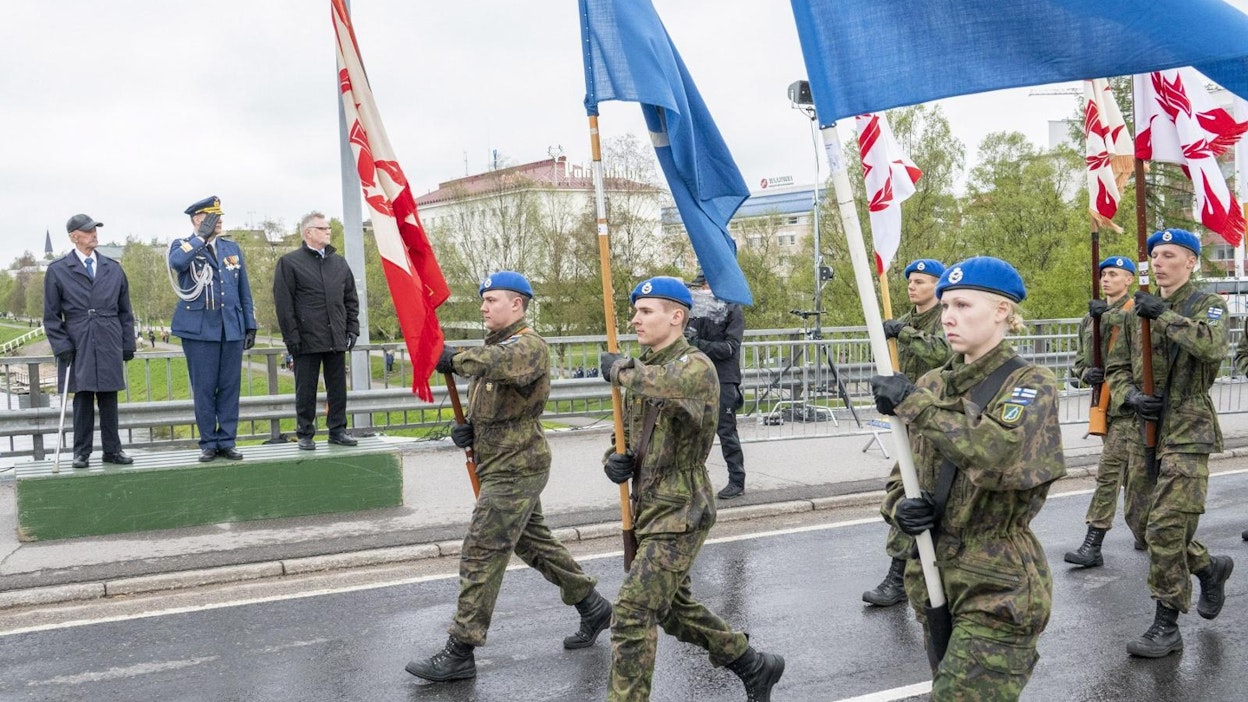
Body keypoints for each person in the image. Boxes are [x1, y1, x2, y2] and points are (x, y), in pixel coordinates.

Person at [870, 256, 1065, 700]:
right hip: (934, 573)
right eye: (944, 307)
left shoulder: (1030, 382)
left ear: (1001, 311)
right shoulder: (934, 384)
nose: (949, 317)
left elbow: (996, 452)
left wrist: (914, 405)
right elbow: (903, 474)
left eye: (962, 305)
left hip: (996, 581)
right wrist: (902, 509)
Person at [406, 271, 611, 683]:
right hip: (500, 461)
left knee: (481, 550)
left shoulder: (527, 346)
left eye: (492, 300)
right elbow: (496, 399)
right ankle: (592, 604)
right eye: (483, 300)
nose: (484, 307)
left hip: (517, 466)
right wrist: (468, 430)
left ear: (516, 304)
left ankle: (461, 650)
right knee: (533, 545)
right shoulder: (494, 345)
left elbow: (500, 367)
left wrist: (452, 357)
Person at [598, 276, 784, 702]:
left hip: (681, 507)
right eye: (635, 311)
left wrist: (622, 370)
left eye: (646, 312)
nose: (635, 319)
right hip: (648, 501)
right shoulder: (643, 367)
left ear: (676, 317)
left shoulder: (695, 367)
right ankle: (753, 664)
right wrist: (614, 459)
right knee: (676, 612)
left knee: (631, 612)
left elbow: (663, 384)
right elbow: (624, 433)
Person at [1106, 229, 1234, 658]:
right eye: (1154, 255)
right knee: (1142, 523)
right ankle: (1207, 566)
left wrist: (1161, 315)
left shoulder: (1208, 305)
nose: (1158, 263)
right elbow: (1117, 369)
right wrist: (1132, 397)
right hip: (1147, 428)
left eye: (1169, 255)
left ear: (1191, 262)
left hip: (1188, 428)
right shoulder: (1132, 313)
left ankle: (1166, 624)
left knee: (1165, 527)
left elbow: (1212, 346)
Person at [864, 258, 952, 608]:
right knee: (907, 494)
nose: (912, 287)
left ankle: (898, 576)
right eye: (910, 282)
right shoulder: (905, 320)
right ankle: (908, 572)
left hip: (937, 417)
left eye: (921, 282)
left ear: (937, 285)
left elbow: (941, 351)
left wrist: (902, 333)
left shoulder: (944, 317)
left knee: (910, 494)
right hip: (910, 420)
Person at [1064, 256, 1151, 568]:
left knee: (1136, 485)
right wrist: (1088, 374)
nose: (1106, 279)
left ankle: (1148, 534)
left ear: (1129, 280)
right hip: (1107, 409)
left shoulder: (1136, 313)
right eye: (1103, 274)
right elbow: (1078, 362)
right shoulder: (1090, 318)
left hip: (1132, 408)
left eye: (1114, 274)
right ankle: (1094, 544)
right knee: (1112, 476)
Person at [43, 214, 137, 469]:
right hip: (78, 339)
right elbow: (51, 317)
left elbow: (125, 312)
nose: (94, 233)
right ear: (74, 236)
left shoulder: (113, 268)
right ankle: (81, 452)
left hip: (108, 336)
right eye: (87, 230)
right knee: (82, 396)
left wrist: (128, 343)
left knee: (108, 396)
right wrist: (61, 345)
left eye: (94, 229)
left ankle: (112, 450)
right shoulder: (58, 270)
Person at [168, 196, 257, 462]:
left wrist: (249, 324)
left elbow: (244, 289)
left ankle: (227, 440)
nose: (219, 221)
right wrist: (200, 239)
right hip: (199, 331)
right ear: (197, 219)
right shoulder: (183, 246)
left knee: (230, 387)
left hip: (231, 328)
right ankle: (208, 441)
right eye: (212, 217)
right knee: (205, 388)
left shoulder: (231, 248)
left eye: (219, 216)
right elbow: (177, 264)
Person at [273, 212, 360, 450]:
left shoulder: (338, 262)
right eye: (323, 228)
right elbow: (284, 304)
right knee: (306, 388)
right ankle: (305, 433)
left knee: (338, 387)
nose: (328, 232)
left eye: (328, 228)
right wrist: (292, 337)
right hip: (306, 339)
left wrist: (352, 327)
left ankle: (338, 430)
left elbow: (350, 298)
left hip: (336, 336)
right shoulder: (290, 263)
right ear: (308, 232)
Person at [684, 271, 748, 499]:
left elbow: (730, 348)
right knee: (691, 432)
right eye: (699, 286)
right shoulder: (694, 310)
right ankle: (691, 483)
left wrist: (696, 344)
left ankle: (737, 481)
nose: (701, 290)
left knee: (726, 431)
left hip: (724, 378)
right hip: (696, 377)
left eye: (703, 285)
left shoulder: (732, 308)